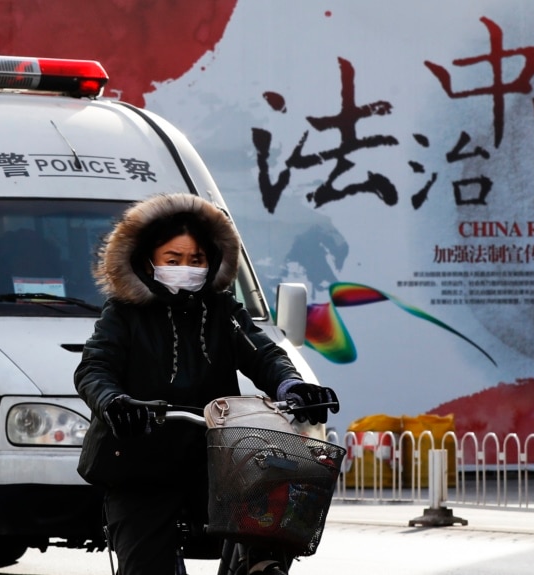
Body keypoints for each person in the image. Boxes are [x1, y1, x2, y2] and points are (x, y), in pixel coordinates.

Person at [74, 193, 338, 575]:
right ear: (148, 262)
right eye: (173, 260)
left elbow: (263, 354)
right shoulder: (124, 312)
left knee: (272, 518)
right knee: (145, 563)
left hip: (215, 459)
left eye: (196, 260)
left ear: (211, 261)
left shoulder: (221, 310)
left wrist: (292, 388)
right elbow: (94, 368)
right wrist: (114, 401)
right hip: (138, 460)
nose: (187, 268)